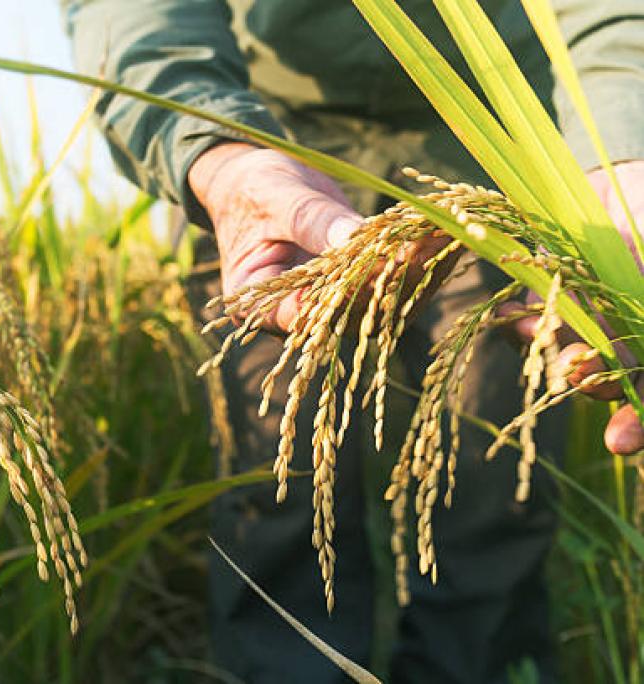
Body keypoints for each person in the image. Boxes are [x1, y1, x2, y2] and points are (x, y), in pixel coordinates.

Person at [63, 1, 644, 681]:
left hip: (491, 130)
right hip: (260, 129)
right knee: (277, 482)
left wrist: (624, 154)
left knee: (493, 476)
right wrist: (213, 151)